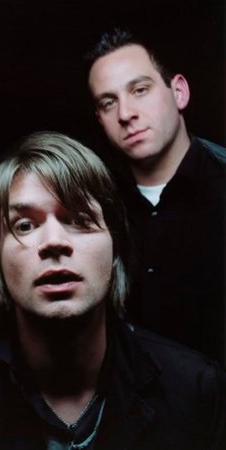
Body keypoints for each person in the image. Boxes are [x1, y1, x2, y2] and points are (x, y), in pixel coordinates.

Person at [0, 131, 226, 449]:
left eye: (80, 219)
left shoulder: (196, 390)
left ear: (115, 246)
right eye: (25, 225)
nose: (54, 241)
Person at [86, 27, 226, 363]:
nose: (125, 114)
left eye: (140, 90)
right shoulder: (96, 207)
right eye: (109, 102)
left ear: (179, 92)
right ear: (100, 119)